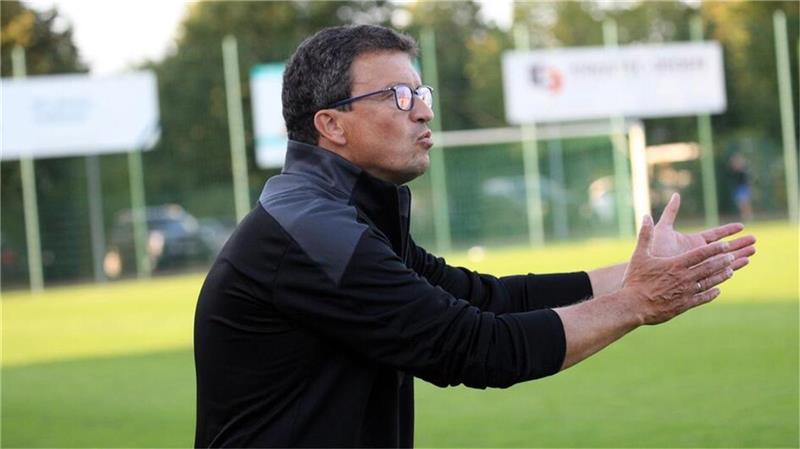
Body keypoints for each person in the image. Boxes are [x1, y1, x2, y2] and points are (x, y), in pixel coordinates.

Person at [193, 25, 756, 448]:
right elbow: (471, 347)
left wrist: (632, 273)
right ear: (331, 124)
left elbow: (482, 297)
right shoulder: (313, 233)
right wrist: (634, 304)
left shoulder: (339, 214)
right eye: (398, 96)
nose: (422, 113)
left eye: (422, 93)